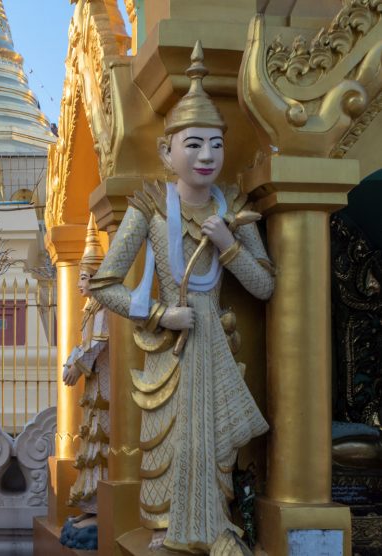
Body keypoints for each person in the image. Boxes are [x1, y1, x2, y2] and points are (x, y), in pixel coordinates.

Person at [89, 41, 275, 553]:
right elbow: (103, 285)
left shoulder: (232, 207)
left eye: (216, 144)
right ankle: (173, 532)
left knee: (214, 445)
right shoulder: (148, 207)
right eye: (193, 144)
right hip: (171, 348)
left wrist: (228, 246)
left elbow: (266, 285)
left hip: (215, 341)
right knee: (173, 443)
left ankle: (215, 528)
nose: (207, 156)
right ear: (166, 152)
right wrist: (158, 313)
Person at [59, 213, 109, 551]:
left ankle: (100, 508)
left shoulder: (105, 305)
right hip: (94, 388)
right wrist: (72, 361)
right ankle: (90, 507)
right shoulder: (91, 306)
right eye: (78, 277)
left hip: (106, 387)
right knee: (90, 443)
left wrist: (77, 363)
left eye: (85, 277)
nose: (80, 284)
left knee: (102, 447)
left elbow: (99, 343)